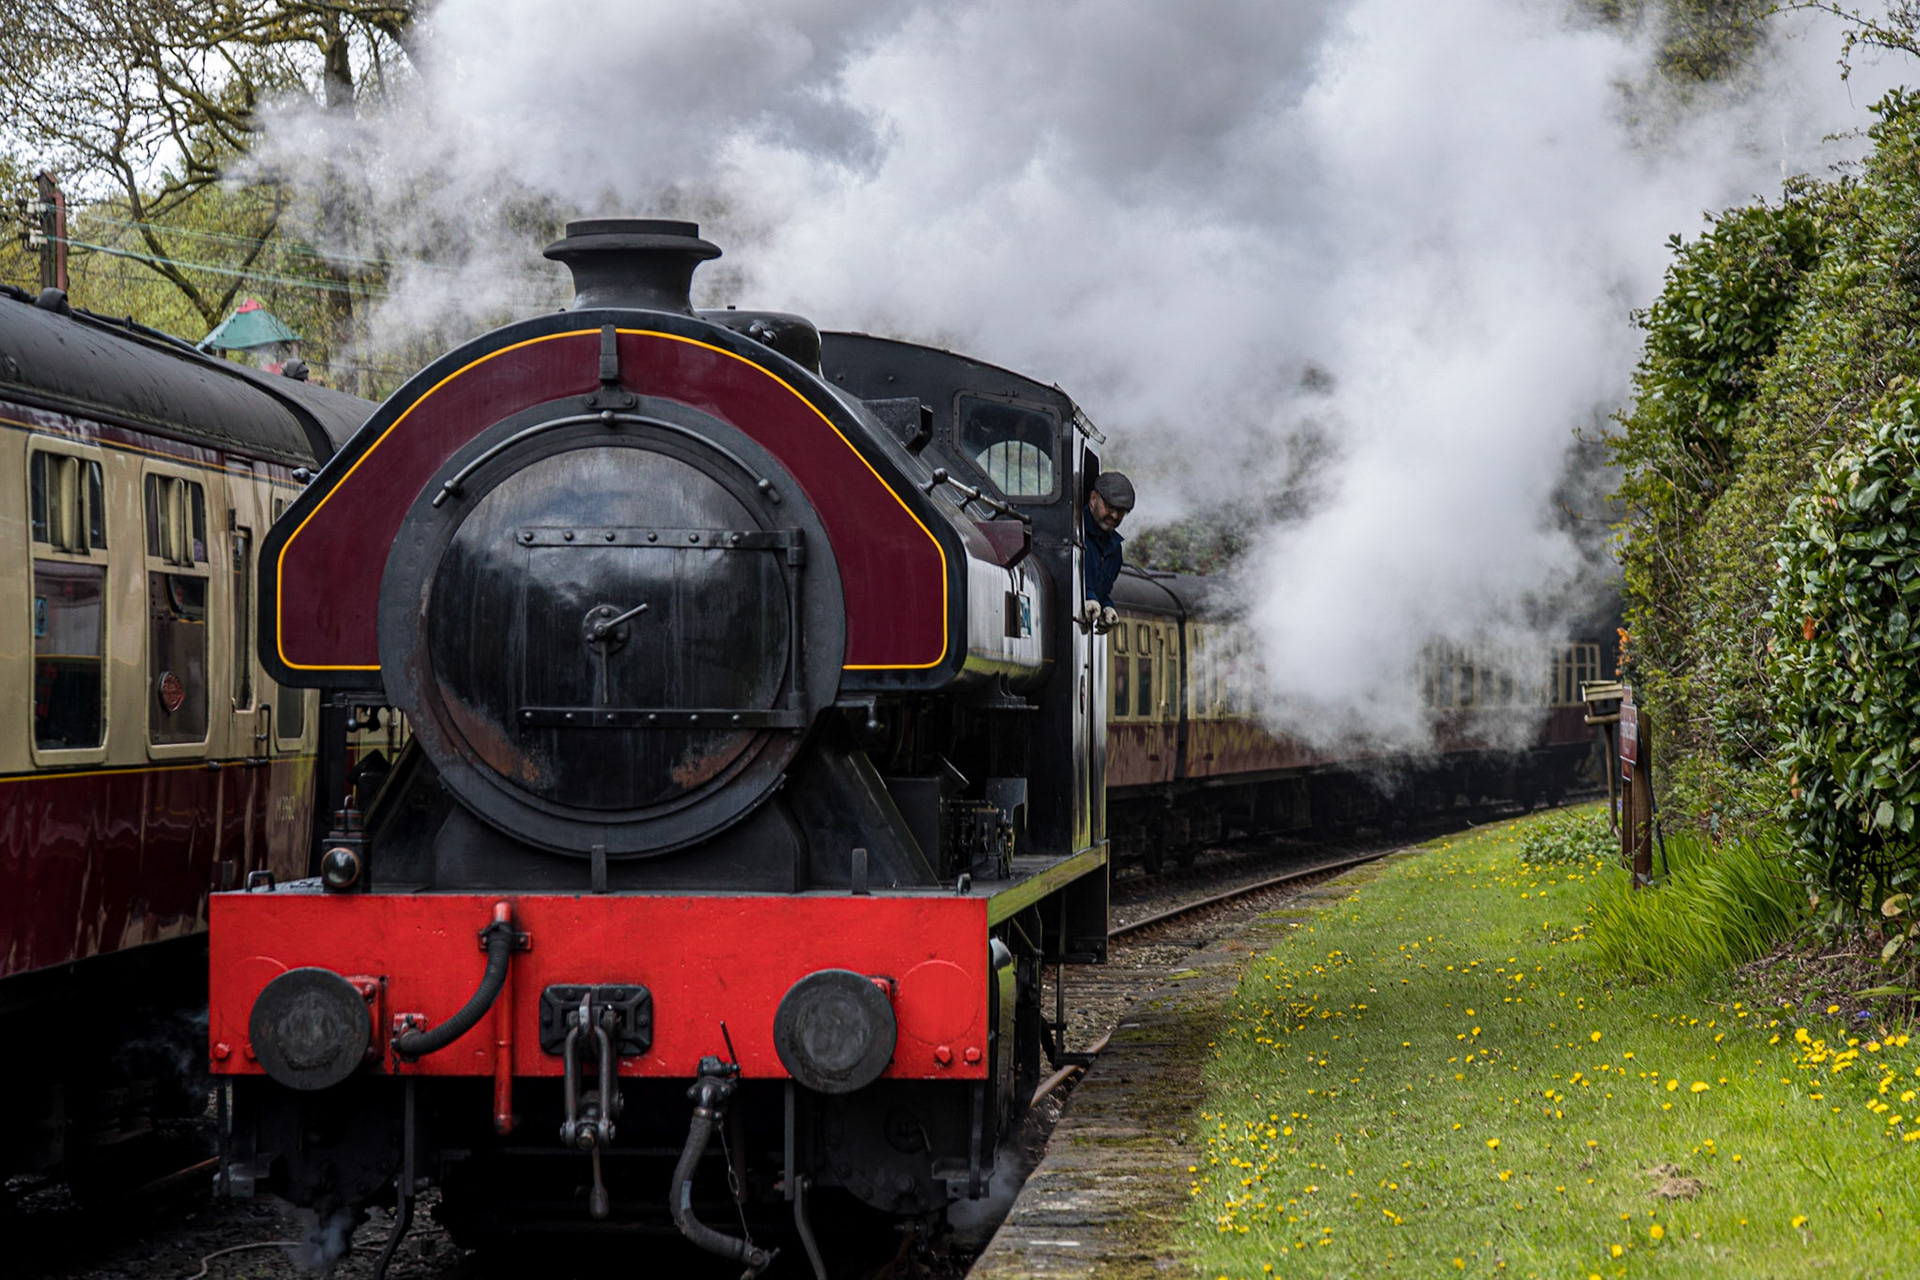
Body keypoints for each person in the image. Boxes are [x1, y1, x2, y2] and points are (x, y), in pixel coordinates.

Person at [1082, 471, 1134, 634]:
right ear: (1093, 498)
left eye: (1121, 511)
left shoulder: (1114, 550)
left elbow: (1102, 591)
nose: (1115, 515)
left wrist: (1107, 606)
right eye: (1110, 507)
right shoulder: (1073, 533)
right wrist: (1087, 597)